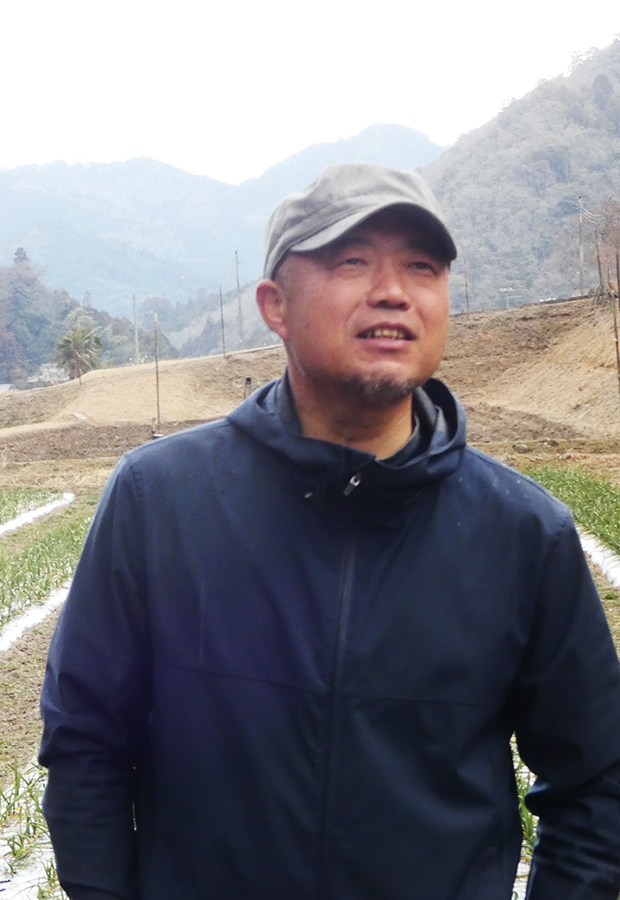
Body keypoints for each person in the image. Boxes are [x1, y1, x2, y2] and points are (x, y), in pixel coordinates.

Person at [39, 163, 620, 899]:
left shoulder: (524, 533)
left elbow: (597, 784)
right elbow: (86, 743)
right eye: (352, 262)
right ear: (275, 305)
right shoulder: (161, 500)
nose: (393, 291)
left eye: (422, 266)